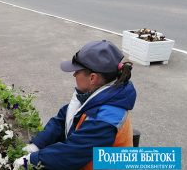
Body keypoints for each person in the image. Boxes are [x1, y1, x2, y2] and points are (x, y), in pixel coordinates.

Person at [14, 40, 136, 170]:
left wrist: (31, 160)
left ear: (92, 78)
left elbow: (73, 152)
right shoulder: (95, 94)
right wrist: (38, 144)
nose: (74, 74)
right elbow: (64, 119)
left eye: (77, 71)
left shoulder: (108, 116)